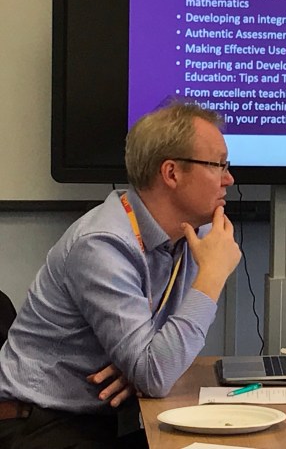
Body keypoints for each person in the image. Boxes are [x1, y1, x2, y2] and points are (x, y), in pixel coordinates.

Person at [0, 102, 241, 448]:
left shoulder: (194, 236)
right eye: (218, 165)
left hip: (109, 417)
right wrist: (212, 276)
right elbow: (157, 372)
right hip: (41, 424)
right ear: (171, 173)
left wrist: (141, 367)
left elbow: (159, 364)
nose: (229, 178)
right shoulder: (102, 243)